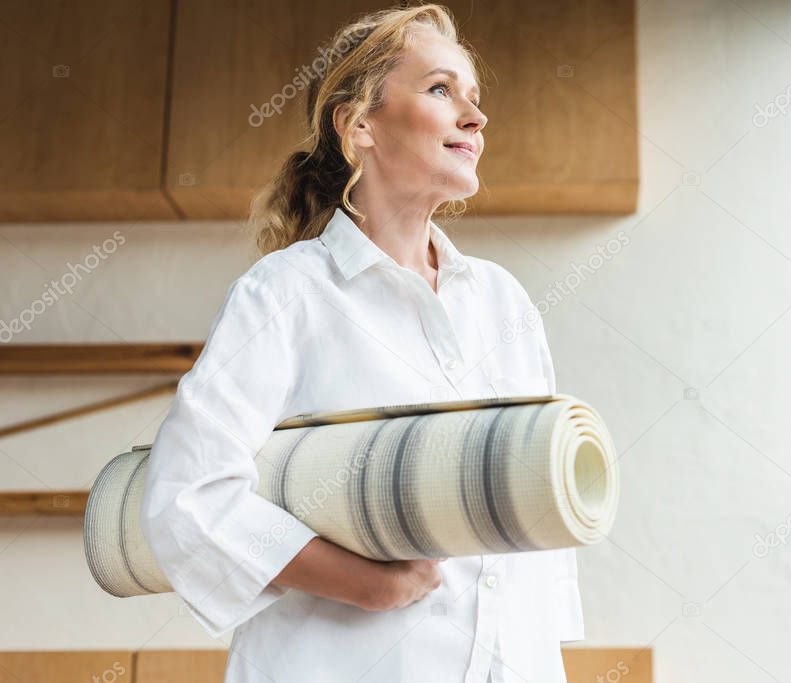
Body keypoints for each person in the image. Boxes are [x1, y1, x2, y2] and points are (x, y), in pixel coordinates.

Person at [138, 4, 583, 682]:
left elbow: (535, 518)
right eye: (440, 89)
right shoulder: (285, 295)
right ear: (359, 125)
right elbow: (186, 496)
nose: (476, 116)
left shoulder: (502, 301)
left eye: (475, 97)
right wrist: (361, 582)